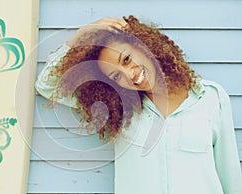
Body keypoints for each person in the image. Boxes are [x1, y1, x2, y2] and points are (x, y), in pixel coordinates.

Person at [36, 15, 242, 194]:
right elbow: (46, 85)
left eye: (126, 59)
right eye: (116, 75)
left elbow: (230, 176)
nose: (129, 74)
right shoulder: (118, 111)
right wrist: (79, 37)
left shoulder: (210, 97)